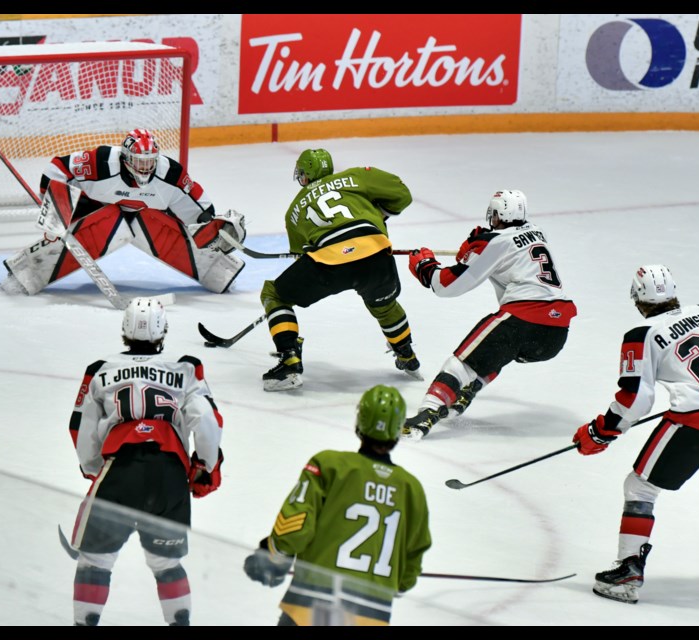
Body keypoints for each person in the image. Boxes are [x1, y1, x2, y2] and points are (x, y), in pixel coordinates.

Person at [573, 264, 699, 604]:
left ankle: (628, 571)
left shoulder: (642, 333)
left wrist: (602, 431)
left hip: (695, 424)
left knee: (639, 487)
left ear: (637, 298)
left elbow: (636, 397)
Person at [67, 297, 224, 626]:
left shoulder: (99, 370)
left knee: (95, 562)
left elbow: (80, 429)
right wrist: (205, 465)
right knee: (167, 563)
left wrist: (94, 469)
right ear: (163, 329)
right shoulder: (185, 366)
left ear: (124, 329)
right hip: (169, 476)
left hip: (120, 472)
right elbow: (208, 421)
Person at [242, 385, 431, 626]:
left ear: (360, 420)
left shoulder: (329, 465)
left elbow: (294, 528)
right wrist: (396, 582)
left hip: (312, 607)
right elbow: (411, 562)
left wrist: (272, 556)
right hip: (371, 617)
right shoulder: (411, 489)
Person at [402, 189, 577, 439]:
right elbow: (483, 255)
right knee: (499, 351)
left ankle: (426, 415)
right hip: (556, 334)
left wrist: (424, 266)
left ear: (497, 213)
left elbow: (447, 285)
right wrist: (474, 248)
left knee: (461, 363)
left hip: (523, 318)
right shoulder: (538, 232)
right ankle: (470, 388)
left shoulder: (493, 242)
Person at [0, 128, 247, 296]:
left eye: (149, 161)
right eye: (139, 161)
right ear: (126, 158)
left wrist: (218, 229)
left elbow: (200, 211)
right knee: (110, 218)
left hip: (148, 220)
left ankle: (217, 271)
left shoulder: (170, 174)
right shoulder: (101, 161)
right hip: (95, 211)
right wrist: (56, 214)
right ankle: (27, 272)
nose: (145, 167)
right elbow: (57, 169)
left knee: (150, 221)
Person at [259, 148, 422, 391]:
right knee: (383, 304)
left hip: (330, 263)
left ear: (306, 175)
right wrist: (376, 215)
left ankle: (289, 358)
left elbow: (302, 254)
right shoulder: (358, 176)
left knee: (275, 294)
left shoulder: (294, 210)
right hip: (376, 253)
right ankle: (407, 355)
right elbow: (402, 194)